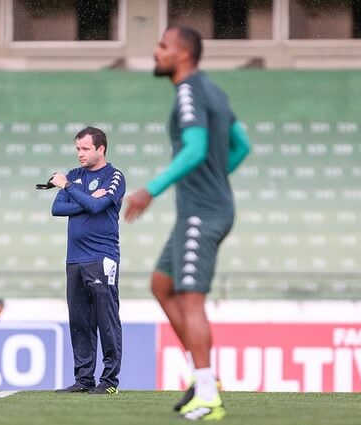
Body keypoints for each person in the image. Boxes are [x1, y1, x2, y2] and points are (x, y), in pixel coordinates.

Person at [124, 26, 250, 420]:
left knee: (191, 300)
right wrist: (215, 177)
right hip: (205, 207)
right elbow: (242, 145)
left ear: (183, 54)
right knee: (162, 285)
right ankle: (203, 376)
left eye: (162, 46)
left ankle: (209, 396)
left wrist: (151, 190)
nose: (155, 53)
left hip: (202, 212)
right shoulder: (214, 89)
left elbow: (195, 148)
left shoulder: (189, 91)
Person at [49, 126, 125, 395]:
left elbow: (97, 206)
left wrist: (70, 189)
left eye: (85, 149)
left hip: (102, 257)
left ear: (101, 149)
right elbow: (57, 208)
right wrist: (84, 198)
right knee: (79, 320)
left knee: (106, 319)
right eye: (77, 149)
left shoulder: (114, 176)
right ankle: (84, 380)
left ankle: (110, 381)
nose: (79, 154)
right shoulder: (75, 174)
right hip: (75, 258)